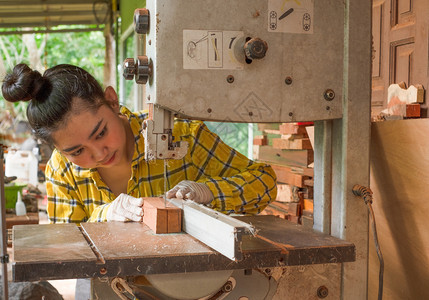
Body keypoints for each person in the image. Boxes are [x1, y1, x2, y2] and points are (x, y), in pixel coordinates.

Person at [2, 63, 277, 224]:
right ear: (59, 150)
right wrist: (103, 216)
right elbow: (65, 246)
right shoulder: (61, 170)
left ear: (111, 100)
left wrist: (208, 192)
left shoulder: (181, 136)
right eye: (77, 151)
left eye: (100, 133)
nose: (99, 153)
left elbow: (265, 181)